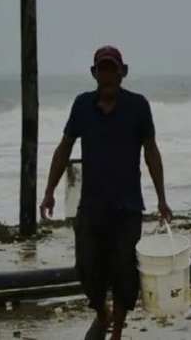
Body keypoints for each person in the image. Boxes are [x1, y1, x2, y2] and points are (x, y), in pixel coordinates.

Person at [40, 45, 172, 340]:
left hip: (127, 208)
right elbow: (64, 149)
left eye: (113, 68)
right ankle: (103, 313)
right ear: (93, 73)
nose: (107, 74)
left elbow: (151, 152)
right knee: (87, 268)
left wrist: (162, 198)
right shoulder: (82, 105)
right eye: (102, 68)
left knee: (125, 274)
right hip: (91, 206)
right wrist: (48, 191)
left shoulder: (138, 106)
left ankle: (117, 333)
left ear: (123, 72)